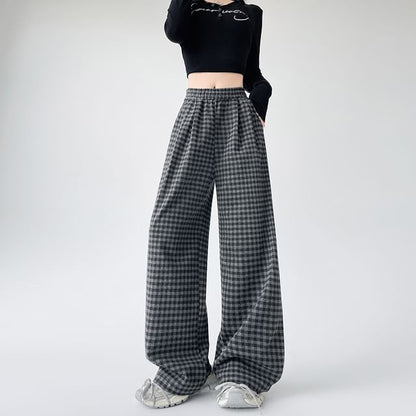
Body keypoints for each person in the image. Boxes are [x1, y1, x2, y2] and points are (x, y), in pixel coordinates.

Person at [135, 0, 284, 411]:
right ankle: (181, 367)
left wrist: (260, 99)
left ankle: (244, 371)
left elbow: (254, 73)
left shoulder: (250, 12)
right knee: (170, 232)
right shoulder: (190, 8)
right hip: (194, 112)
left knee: (248, 238)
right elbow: (173, 30)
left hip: (240, 117)